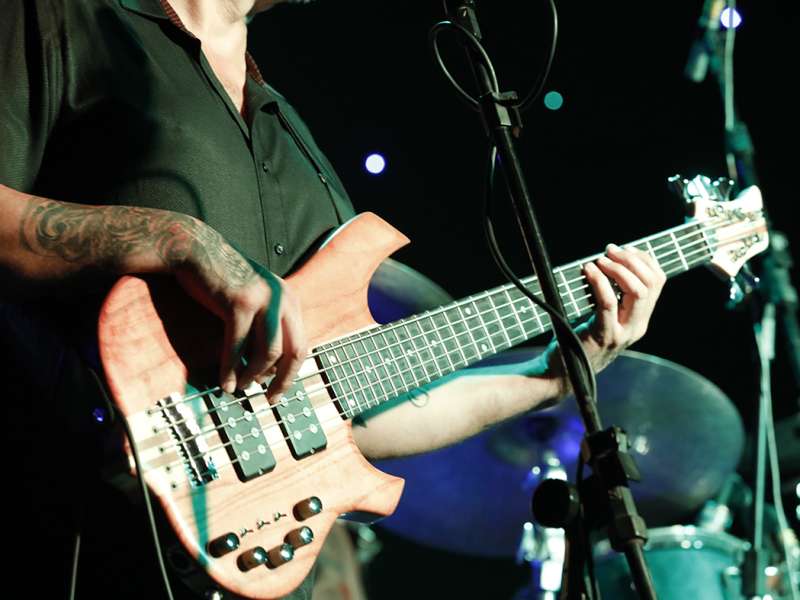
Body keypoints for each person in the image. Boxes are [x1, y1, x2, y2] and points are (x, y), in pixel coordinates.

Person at [0, 0, 666, 598]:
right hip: (67, 526)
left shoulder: (294, 142)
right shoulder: (65, 17)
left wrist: (552, 377)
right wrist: (180, 241)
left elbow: (340, 407)